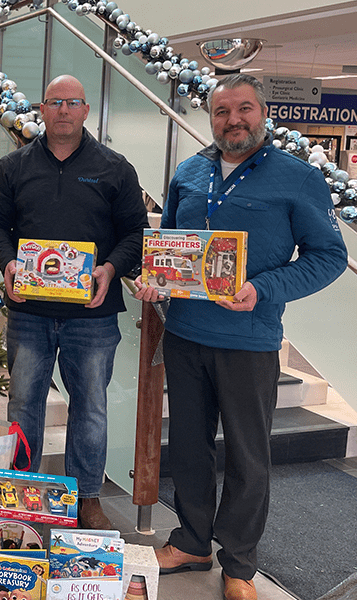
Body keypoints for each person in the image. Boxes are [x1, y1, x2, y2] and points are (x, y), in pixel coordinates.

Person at [133, 74, 347, 600]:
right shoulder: (188, 172)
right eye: (223, 111)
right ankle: (191, 540)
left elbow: (330, 257)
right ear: (211, 117)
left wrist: (263, 288)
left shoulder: (297, 178)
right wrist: (157, 282)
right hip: (184, 335)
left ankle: (240, 564)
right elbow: (176, 249)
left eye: (245, 109)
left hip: (249, 342)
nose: (234, 119)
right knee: (187, 448)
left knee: (249, 458)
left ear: (263, 113)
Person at [0, 75, 148, 530]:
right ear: (42, 107)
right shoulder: (14, 166)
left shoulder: (115, 167)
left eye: (72, 102)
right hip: (30, 313)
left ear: (85, 110)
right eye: (55, 102)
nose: (63, 110)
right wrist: (7, 263)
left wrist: (110, 268)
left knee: (90, 406)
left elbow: (135, 233)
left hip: (92, 315)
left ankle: (86, 496)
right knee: (23, 404)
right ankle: (20, 492)